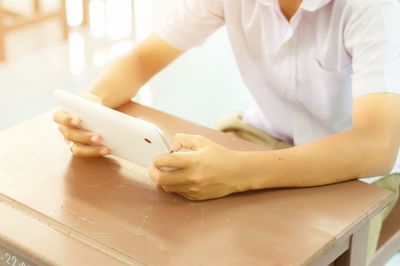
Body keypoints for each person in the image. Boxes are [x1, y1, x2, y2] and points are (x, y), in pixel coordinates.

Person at [53, 0, 400, 261]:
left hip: (358, 172)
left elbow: (375, 147)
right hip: (263, 132)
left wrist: (238, 173)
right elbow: (143, 59)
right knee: (173, 232)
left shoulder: (374, 8)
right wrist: (91, 107)